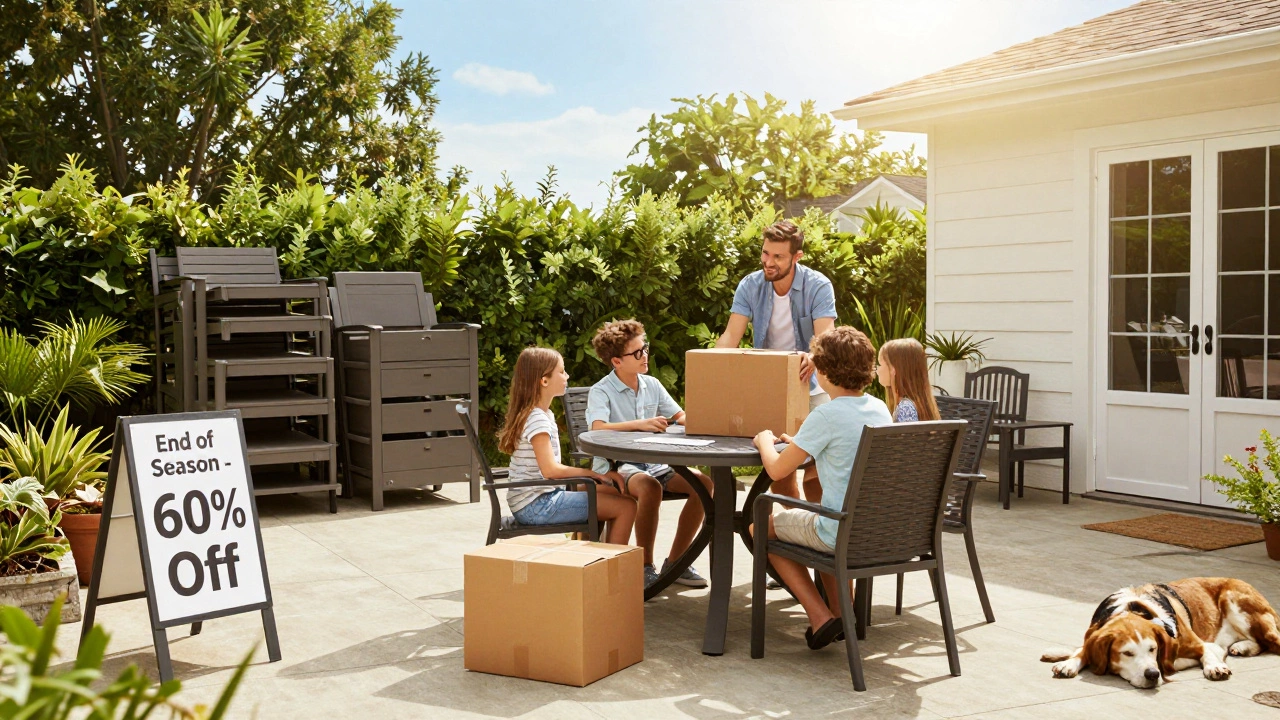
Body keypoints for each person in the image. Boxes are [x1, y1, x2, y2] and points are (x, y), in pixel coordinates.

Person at [750, 326, 892, 650]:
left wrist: (763, 442)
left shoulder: (826, 415)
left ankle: (820, 617)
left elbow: (775, 468)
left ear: (825, 371)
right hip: (875, 530)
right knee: (825, 517)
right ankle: (843, 613)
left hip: (838, 531)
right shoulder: (879, 408)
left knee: (761, 527)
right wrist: (801, 443)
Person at [587, 320, 712, 589]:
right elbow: (598, 428)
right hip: (617, 466)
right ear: (617, 362)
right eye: (637, 353)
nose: (645, 356)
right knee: (650, 487)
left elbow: (681, 416)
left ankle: (677, 562)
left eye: (645, 348)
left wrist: (709, 421)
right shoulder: (601, 391)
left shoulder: (652, 384)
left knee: (704, 484)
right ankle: (645, 566)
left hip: (655, 463)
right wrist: (639, 424)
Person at [717, 219, 836, 500]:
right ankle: (798, 525)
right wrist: (710, 368)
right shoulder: (751, 285)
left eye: (778, 257)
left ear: (797, 257)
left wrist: (813, 355)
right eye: (765, 253)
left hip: (811, 385)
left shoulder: (818, 286)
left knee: (815, 475)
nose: (768, 262)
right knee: (779, 475)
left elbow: (826, 338)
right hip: (770, 388)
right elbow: (731, 336)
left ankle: (820, 532)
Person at [498, 347, 636, 545]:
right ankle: (614, 572)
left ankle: (590, 559)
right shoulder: (537, 419)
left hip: (538, 498)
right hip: (536, 505)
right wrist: (592, 474)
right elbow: (550, 470)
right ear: (544, 381)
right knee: (626, 507)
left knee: (613, 492)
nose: (567, 375)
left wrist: (597, 478)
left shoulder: (541, 414)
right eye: (561, 371)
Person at [876, 338, 941, 423]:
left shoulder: (905, 409)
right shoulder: (916, 405)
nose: (877, 370)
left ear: (894, 369)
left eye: (880, 364)